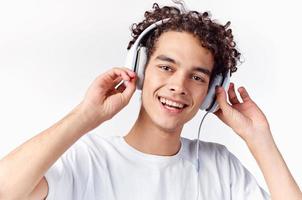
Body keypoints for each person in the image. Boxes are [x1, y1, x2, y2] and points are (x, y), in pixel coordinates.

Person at [0, 2, 301, 200]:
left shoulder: (221, 167)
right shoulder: (88, 159)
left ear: (211, 92)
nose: (178, 86)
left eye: (197, 77)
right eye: (166, 67)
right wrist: (85, 115)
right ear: (140, 69)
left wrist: (259, 138)